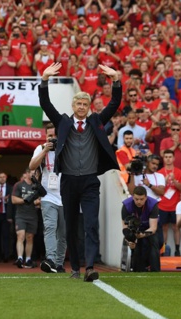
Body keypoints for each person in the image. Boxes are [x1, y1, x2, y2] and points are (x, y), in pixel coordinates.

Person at [39, 62, 121, 282]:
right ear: (74, 106)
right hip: (68, 182)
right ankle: (75, 267)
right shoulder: (63, 122)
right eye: (79, 104)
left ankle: (91, 266)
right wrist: (45, 80)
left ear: (89, 107)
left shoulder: (96, 121)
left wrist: (116, 79)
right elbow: (45, 104)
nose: (82, 107)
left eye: (85, 104)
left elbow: (114, 103)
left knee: (91, 224)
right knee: (72, 227)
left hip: (90, 182)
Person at [29, 123, 67, 273]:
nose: (52, 139)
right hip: (48, 196)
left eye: (55, 136)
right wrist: (45, 150)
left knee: (63, 233)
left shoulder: (66, 147)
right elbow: (32, 166)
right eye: (49, 136)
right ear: (46, 136)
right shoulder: (40, 148)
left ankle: (59, 263)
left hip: (64, 196)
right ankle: (50, 259)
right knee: (50, 228)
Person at [121, 186, 159, 272]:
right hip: (133, 230)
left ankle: (155, 270)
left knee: (154, 242)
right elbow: (124, 228)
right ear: (132, 197)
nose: (139, 201)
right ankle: (137, 269)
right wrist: (130, 239)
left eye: (141, 199)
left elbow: (153, 228)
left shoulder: (153, 204)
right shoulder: (126, 205)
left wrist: (141, 235)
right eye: (136, 199)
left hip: (148, 230)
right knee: (134, 246)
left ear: (146, 197)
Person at [11, 169, 41, 269]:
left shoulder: (38, 186)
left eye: (36, 173)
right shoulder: (19, 185)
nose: (34, 175)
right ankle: (19, 258)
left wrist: (37, 202)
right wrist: (26, 200)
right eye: (32, 172)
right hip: (21, 215)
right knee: (21, 235)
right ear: (27, 173)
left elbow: (40, 200)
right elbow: (13, 199)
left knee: (30, 237)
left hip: (33, 215)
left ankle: (28, 259)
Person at [158, 149, 181, 257]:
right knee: (163, 227)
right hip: (163, 204)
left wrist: (174, 181)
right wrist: (164, 181)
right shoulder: (159, 173)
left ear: (173, 158)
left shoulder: (179, 172)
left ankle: (177, 250)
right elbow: (158, 189)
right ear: (163, 159)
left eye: (170, 157)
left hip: (176, 205)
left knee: (176, 227)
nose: (168, 159)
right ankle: (164, 249)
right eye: (166, 157)